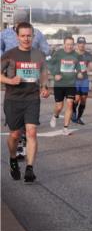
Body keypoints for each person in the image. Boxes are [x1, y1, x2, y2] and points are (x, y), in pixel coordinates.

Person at [2, 22, 50, 183]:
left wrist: (44, 86)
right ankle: (13, 158)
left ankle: (30, 169)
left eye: (29, 35)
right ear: (17, 37)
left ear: (33, 36)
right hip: (13, 99)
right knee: (15, 135)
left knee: (31, 132)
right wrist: (10, 80)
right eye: (23, 36)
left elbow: (43, 73)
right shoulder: (9, 54)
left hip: (32, 98)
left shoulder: (38, 55)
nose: (26, 39)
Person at [48, 36, 79, 135]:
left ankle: (65, 128)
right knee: (59, 106)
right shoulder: (58, 53)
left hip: (71, 84)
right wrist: (54, 74)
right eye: (68, 44)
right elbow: (49, 64)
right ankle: (55, 115)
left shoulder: (76, 55)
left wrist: (80, 72)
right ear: (64, 44)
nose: (69, 46)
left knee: (70, 104)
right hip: (59, 84)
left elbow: (80, 66)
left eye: (71, 44)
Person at [72, 37, 92, 125]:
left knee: (84, 98)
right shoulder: (72, 54)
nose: (82, 45)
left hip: (84, 79)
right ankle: (73, 113)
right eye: (80, 43)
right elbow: (68, 67)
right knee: (77, 98)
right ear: (77, 44)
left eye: (83, 43)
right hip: (75, 79)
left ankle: (79, 118)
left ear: (85, 44)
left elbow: (91, 66)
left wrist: (88, 69)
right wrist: (76, 73)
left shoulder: (88, 55)